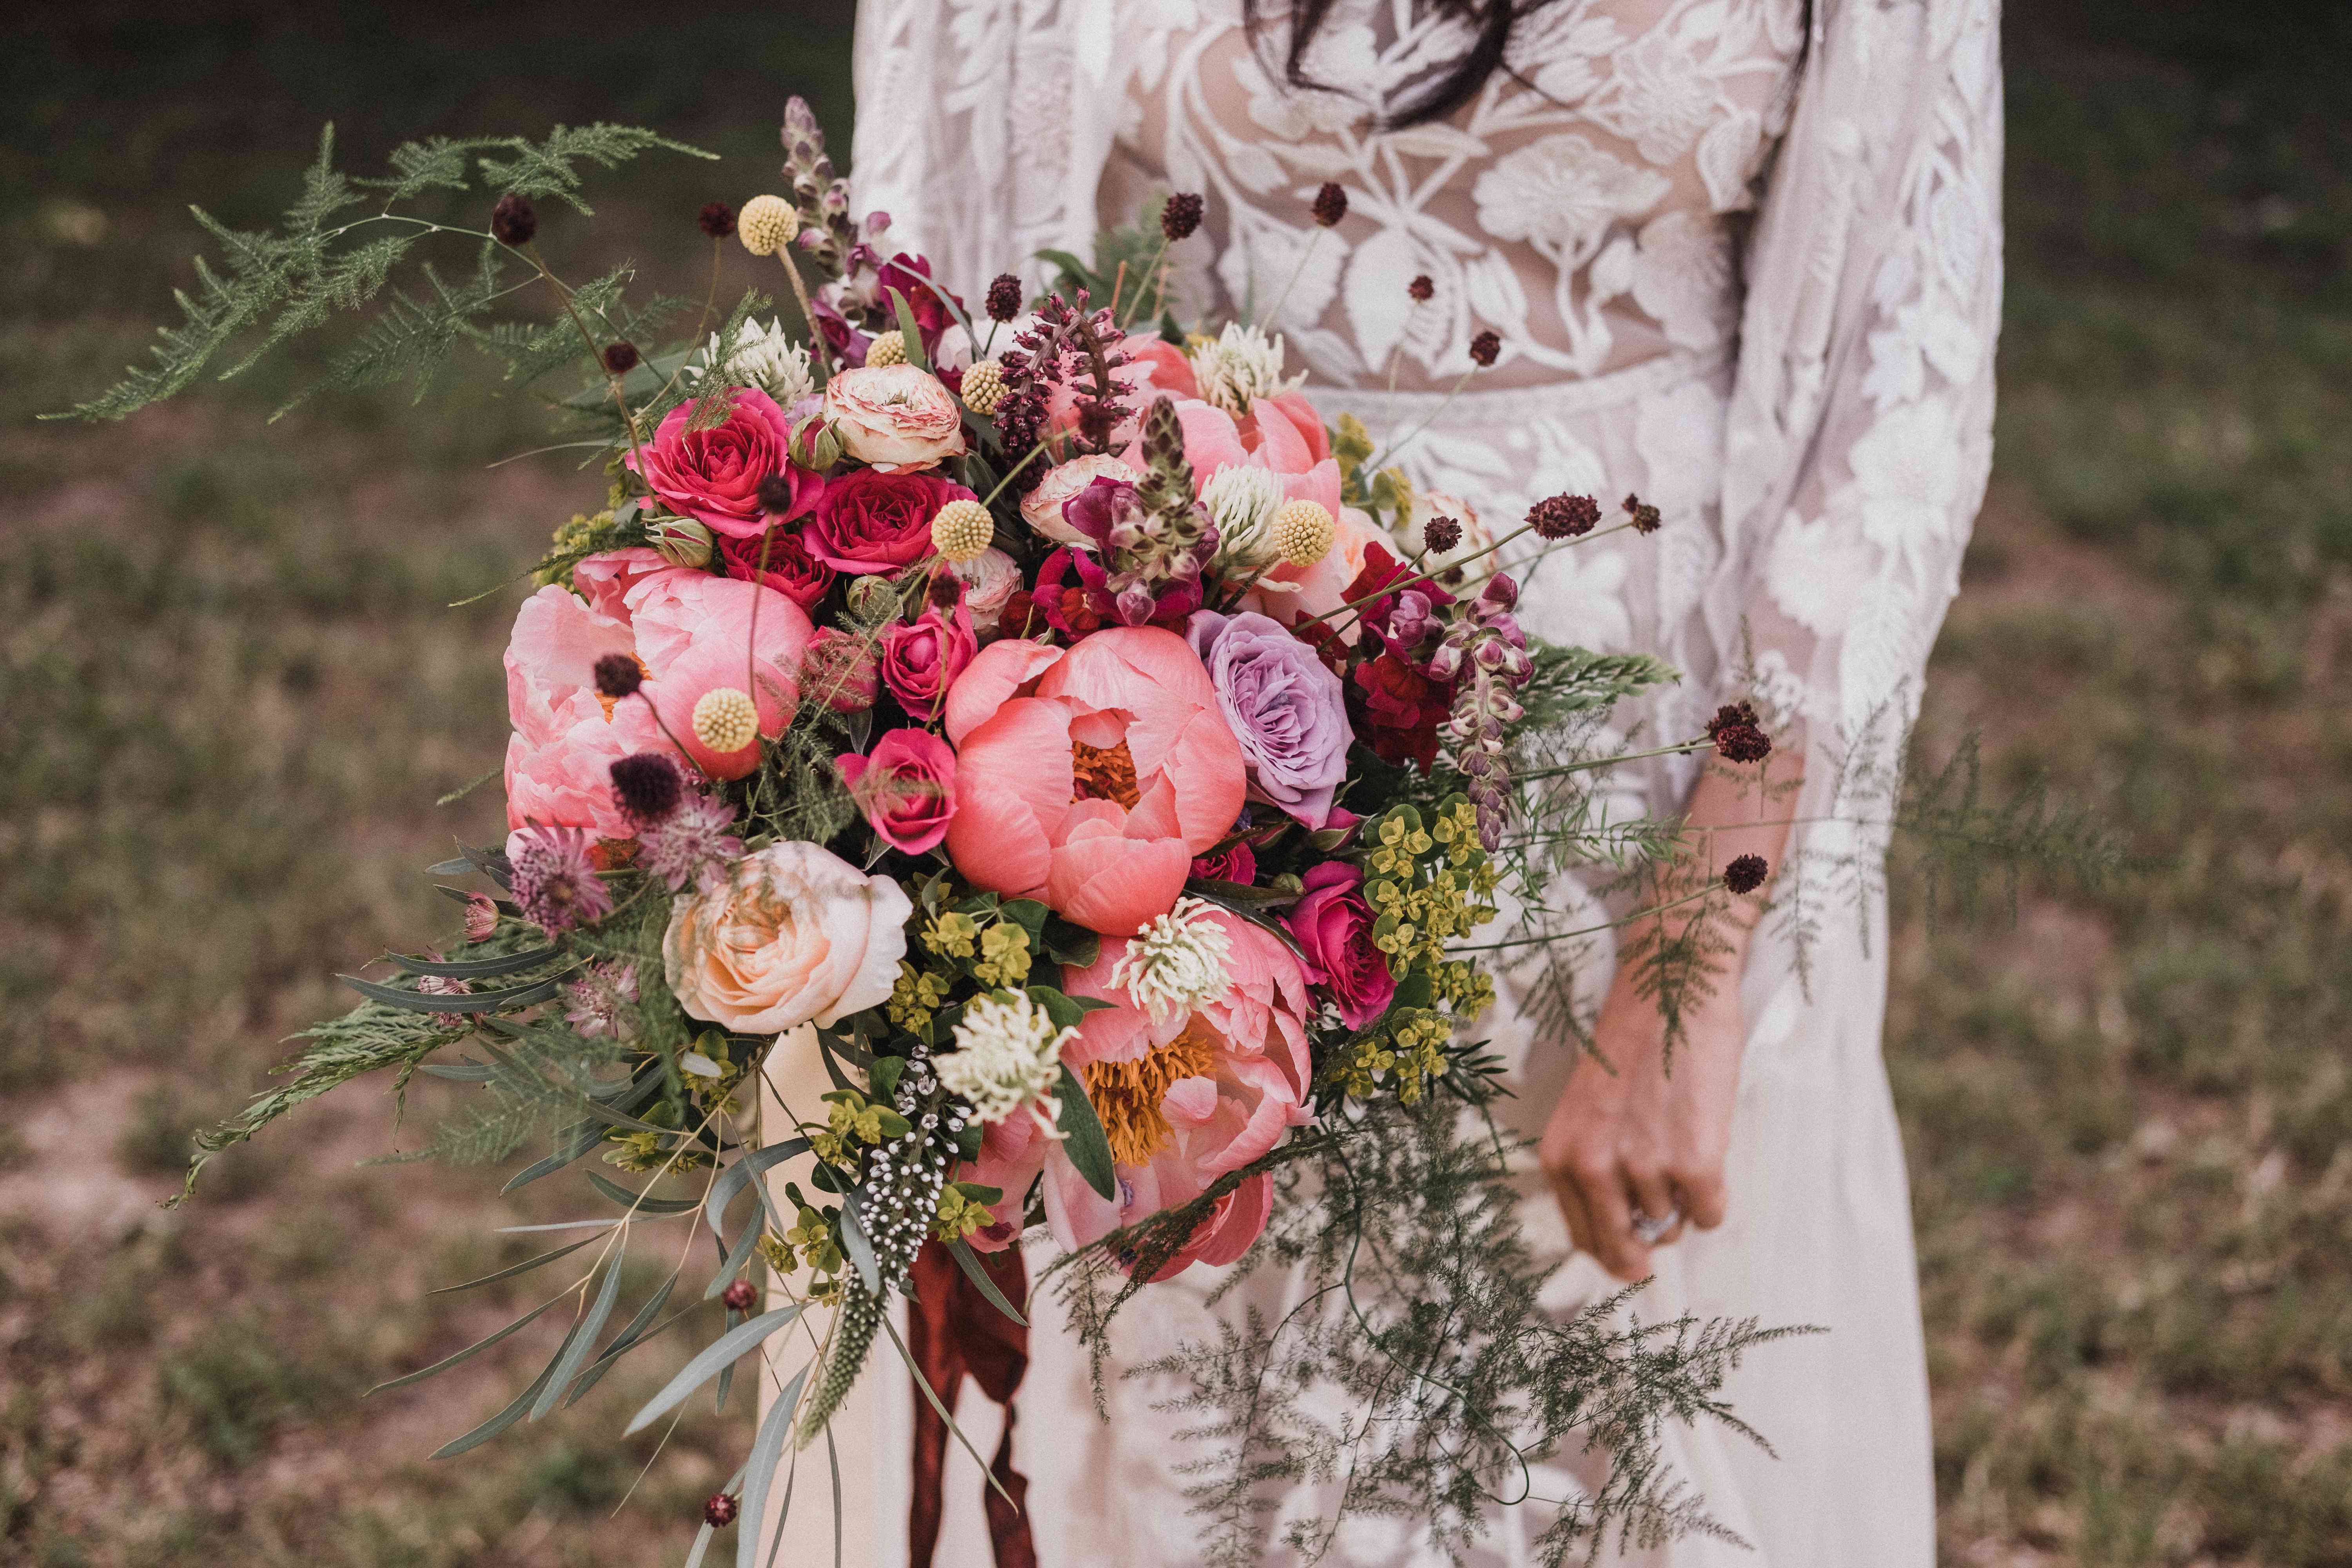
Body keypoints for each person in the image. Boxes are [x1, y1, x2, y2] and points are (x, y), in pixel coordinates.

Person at [842, 0, 2002, 1561]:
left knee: (1609, 1436)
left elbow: (1892, 402)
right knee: (1207, 1418)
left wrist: (1696, 955)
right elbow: (929, 328)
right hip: (1189, 791)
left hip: (1638, 797)